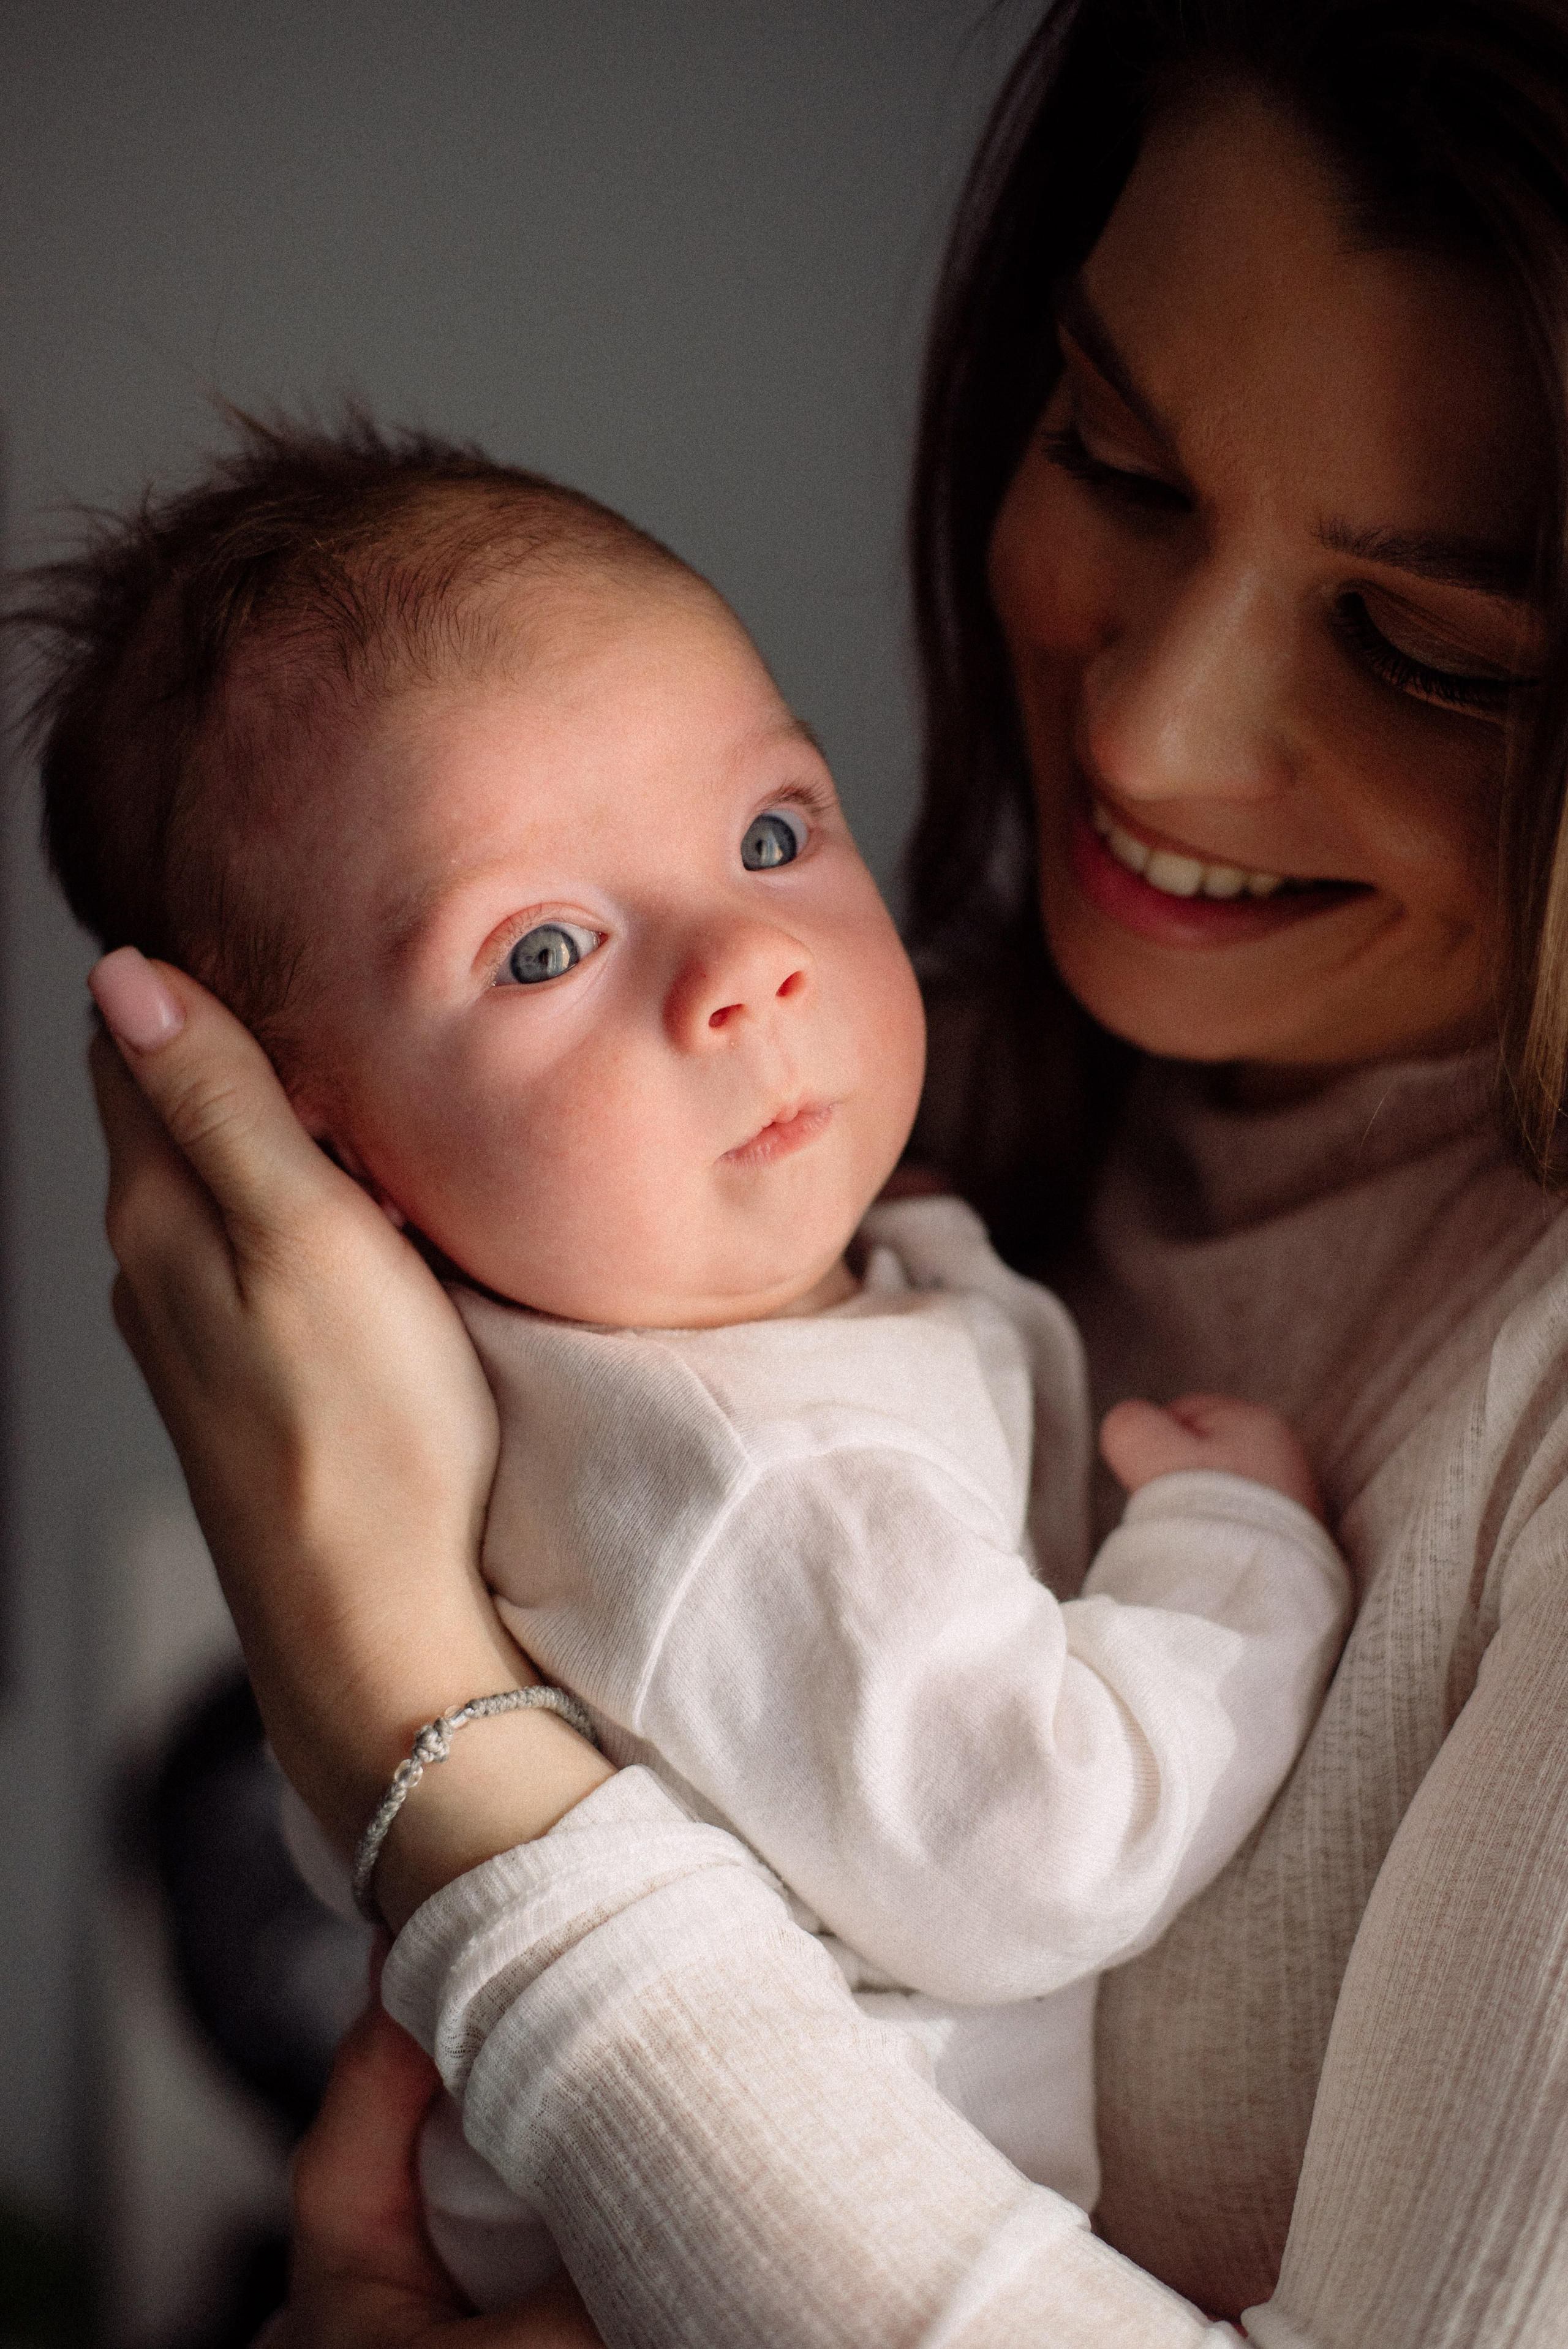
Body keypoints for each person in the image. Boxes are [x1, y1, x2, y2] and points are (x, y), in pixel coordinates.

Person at [73, 0, 1568, 2339]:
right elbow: (1026, 1817)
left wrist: (412, 1730)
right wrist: (1235, 1546)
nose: (1152, 732)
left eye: (1424, 644)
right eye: (1118, 459)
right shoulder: (801, 1250)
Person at [23, 422, 1345, 2308]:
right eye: (546, 945)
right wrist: (1235, 1556)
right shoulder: (746, 1480)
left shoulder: (659, 1361)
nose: (747, 960)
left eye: (773, 831)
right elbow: (1038, 1836)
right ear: (328, 1162)